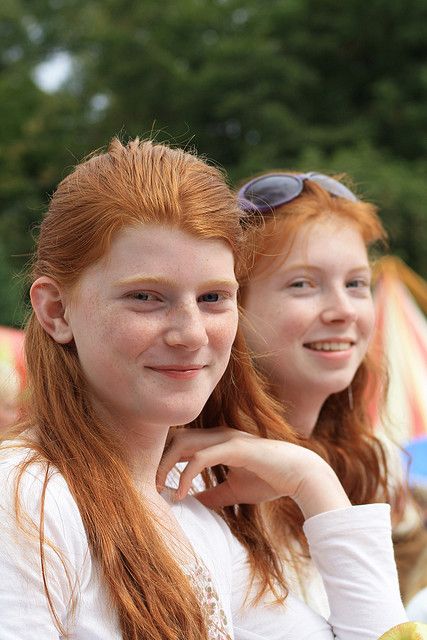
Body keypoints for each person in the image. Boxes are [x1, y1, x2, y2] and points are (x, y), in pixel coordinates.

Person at [0, 141, 407, 639]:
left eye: (213, 297)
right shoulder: (26, 500)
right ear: (56, 311)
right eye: (146, 297)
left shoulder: (185, 504)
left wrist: (312, 479)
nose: (191, 333)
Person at [202, 170, 422, 614]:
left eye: (356, 284)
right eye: (303, 283)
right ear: (234, 306)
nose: (343, 310)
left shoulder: (358, 462)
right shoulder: (196, 479)